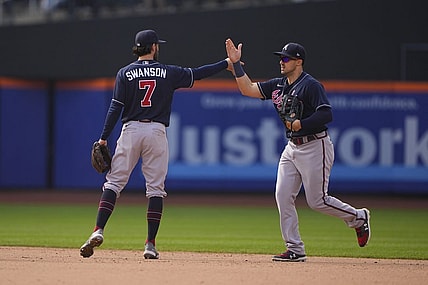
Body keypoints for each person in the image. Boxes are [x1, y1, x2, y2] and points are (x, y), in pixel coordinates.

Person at [80, 29, 232, 259]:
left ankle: (98, 230)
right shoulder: (167, 72)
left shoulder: (125, 73)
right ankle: (150, 244)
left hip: (131, 130)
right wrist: (227, 63)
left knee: (113, 184)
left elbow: (115, 107)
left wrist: (103, 136)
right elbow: (198, 74)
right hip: (156, 132)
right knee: (155, 189)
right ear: (153, 48)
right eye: (157, 45)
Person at [225, 38, 371, 262]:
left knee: (317, 201)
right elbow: (248, 89)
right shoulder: (278, 85)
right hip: (292, 147)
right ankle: (295, 248)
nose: (281, 62)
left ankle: (359, 217)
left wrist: (300, 124)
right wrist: (235, 64)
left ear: (298, 61)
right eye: (280, 58)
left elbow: (326, 114)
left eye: (285, 59)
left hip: (315, 145)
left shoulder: (310, 85)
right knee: (282, 195)